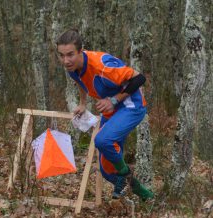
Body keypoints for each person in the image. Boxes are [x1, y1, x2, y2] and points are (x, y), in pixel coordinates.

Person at [56, 29, 154, 201]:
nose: (66, 60)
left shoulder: (102, 65)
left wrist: (114, 100)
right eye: (61, 55)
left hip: (132, 106)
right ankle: (146, 196)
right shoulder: (72, 67)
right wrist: (82, 103)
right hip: (112, 111)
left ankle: (125, 175)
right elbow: (79, 81)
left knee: (102, 140)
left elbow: (139, 79)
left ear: (81, 51)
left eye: (70, 54)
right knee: (107, 171)